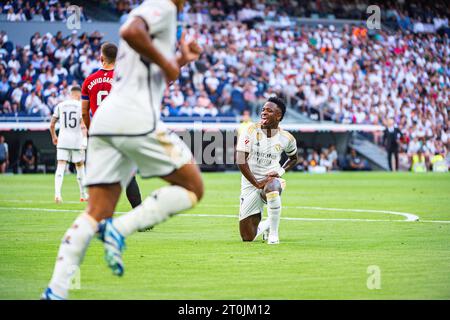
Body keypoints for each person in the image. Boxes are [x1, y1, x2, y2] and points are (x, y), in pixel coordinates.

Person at [42, 0, 204, 300]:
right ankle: (120, 228)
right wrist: (171, 62)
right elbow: (130, 31)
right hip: (135, 117)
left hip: (105, 121)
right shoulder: (164, 7)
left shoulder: (154, 16)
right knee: (193, 187)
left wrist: (180, 59)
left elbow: (151, 73)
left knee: (96, 211)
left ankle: (56, 290)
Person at [81, 42, 142, 210]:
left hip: (100, 133)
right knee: (129, 176)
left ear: (101, 58)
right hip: (121, 130)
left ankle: (97, 216)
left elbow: (84, 112)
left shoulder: (89, 81)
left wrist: (90, 130)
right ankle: (140, 215)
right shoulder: (125, 78)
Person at [236, 96, 298, 244]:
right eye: (263, 110)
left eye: (269, 111)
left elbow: (294, 158)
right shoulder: (250, 130)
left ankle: (274, 235)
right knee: (247, 237)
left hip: (271, 181)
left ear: (278, 116)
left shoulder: (287, 138)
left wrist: (280, 172)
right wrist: (257, 183)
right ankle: (267, 225)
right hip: (250, 183)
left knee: (272, 186)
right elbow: (240, 160)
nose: (264, 113)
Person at [49, 86, 88, 203]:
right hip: (77, 140)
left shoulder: (60, 105)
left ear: (71, 94)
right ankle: (83, 194)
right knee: (80, 166)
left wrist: (54, 136)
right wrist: (85, 139)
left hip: (63, 140)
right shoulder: (81, 106)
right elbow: (83, 125)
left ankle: (57, 194)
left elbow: (51, 124)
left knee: (60, 166)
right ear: (79, 95)